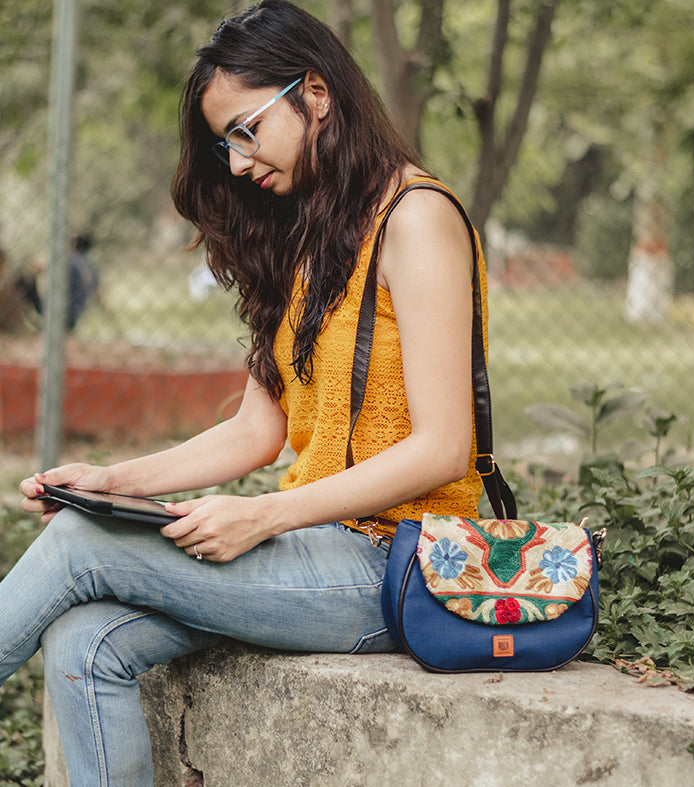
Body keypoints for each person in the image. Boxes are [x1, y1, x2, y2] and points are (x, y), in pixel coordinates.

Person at [5, 1, 489, 783]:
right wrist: (111, 480)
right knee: (85, 640)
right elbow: (255, 431)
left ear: (317, 94)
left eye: (244, 130)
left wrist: (262, 513)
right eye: (223, 142)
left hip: (395, 566)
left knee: (77, 547)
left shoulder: (417, 218)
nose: (235, 163)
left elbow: (441, 447)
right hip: (318, 548)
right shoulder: (312, 234)